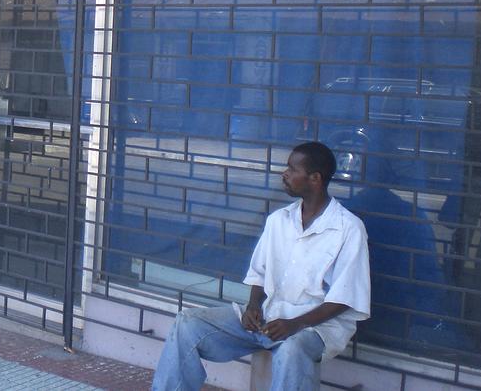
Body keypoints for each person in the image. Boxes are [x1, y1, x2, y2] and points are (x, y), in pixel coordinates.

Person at [152, 141, 370, 391]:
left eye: (292, 169)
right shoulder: (279, 220)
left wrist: (295, 324)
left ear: (315, 178)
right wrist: (253, 306)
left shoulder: (348, 228)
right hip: (270, 316)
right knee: (187, 323)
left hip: (315, 328)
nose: (284, 174)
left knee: (292, 348)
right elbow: (259, 274)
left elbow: (344, 298)